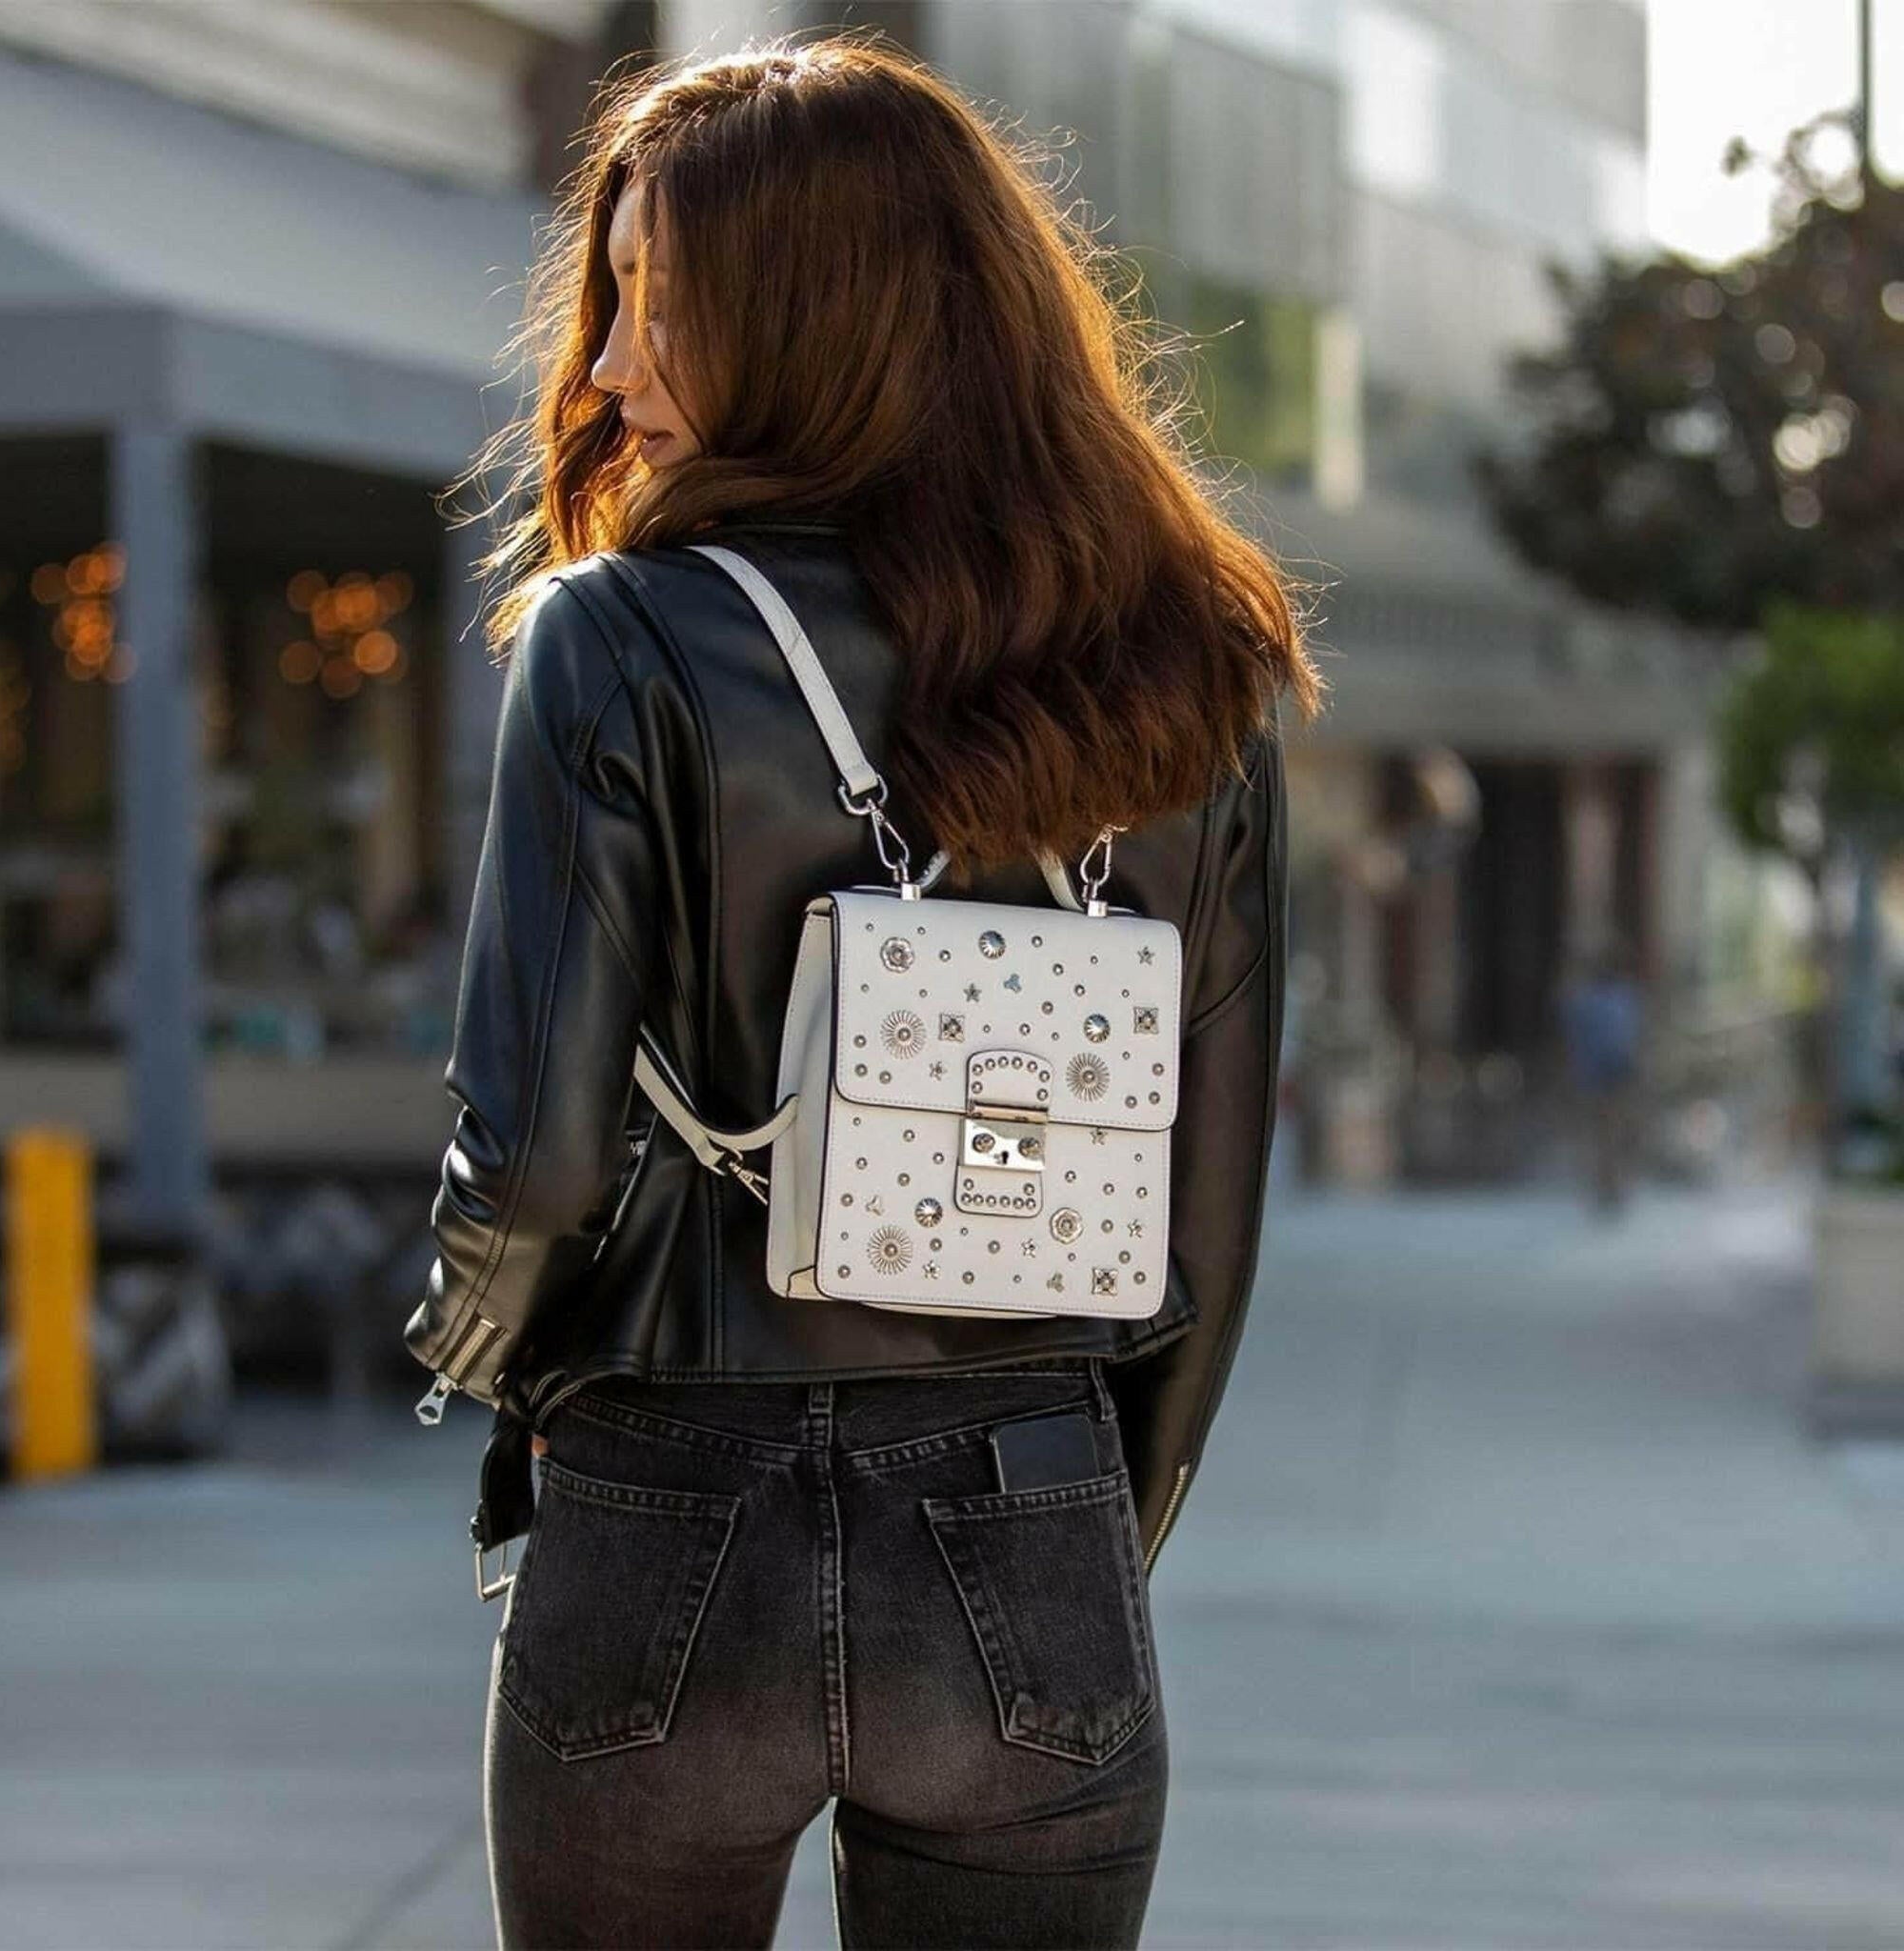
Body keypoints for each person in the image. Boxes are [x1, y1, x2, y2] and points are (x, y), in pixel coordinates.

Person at [409, 34, 1322, 1950]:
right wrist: (1083, 1537)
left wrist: (477, 1357)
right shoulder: (1190, 664)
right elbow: (1205, 1232)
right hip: (1030, 1507)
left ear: (811, 316)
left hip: (666, 1499)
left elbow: (540, 1160)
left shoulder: (619, 636)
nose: (604, 369)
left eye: (657, 302)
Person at [1558, 935, 1645, 1214]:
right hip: (1606, 1073)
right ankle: (1608, 1185)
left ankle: (1610, 1185)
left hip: (1607, 1073)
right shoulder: (1618, 998)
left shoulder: (1602, 999)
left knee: (1608, 1132)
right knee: (1607, 1132)